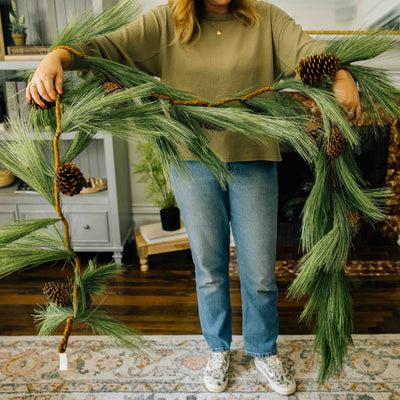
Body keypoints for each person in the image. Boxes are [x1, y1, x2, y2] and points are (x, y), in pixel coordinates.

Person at [26, 0, 361, 395]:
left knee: (259, 273)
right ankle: (219, 348)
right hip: (191, 164)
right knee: (210, 268)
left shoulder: (267, 18)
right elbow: (105, 46)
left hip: (254, 160)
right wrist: (56, 56)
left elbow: (309, 54)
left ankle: (262, 349)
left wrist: (340, 75)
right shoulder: (166, 22)